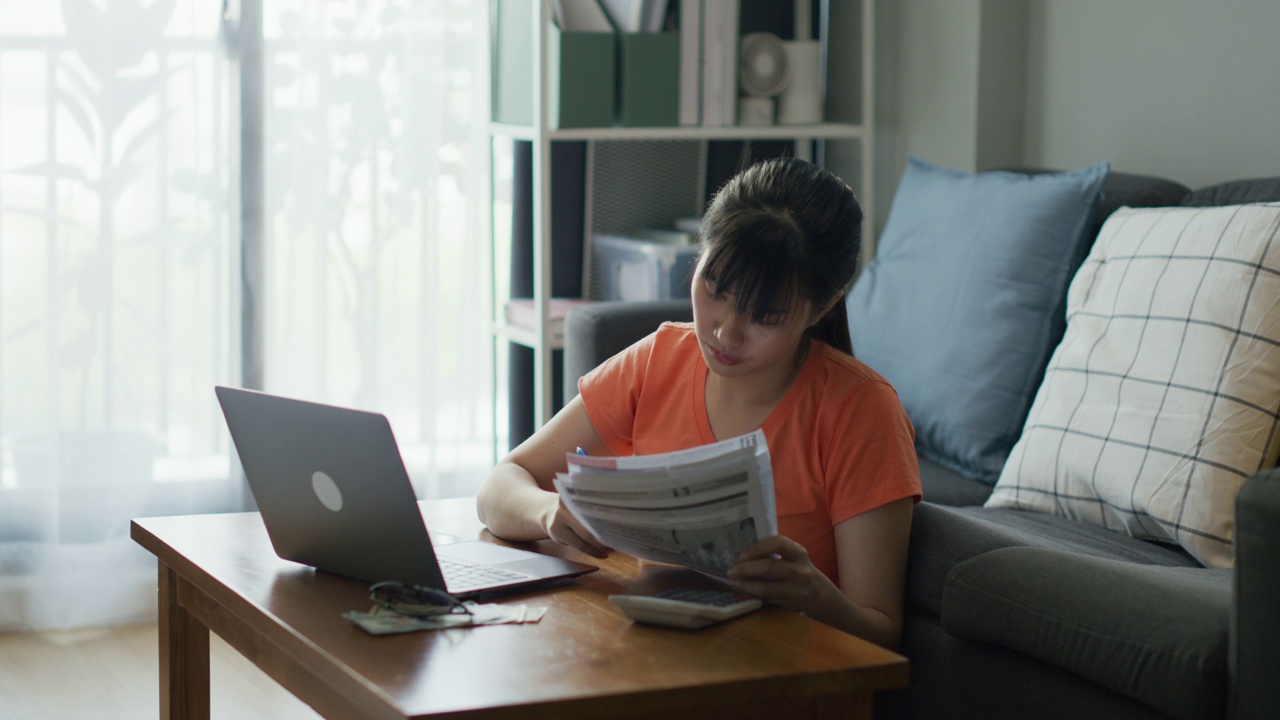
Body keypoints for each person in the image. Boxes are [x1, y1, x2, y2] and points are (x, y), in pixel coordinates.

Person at [477, 157, 921, 649]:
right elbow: (499, 486)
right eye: (715, 289)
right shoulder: (658, 361)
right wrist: (548, 513)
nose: (725, 332)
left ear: (822, 308)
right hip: (660, 658)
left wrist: (815, 594)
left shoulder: (860, 410)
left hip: (781, 678)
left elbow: (883, 634)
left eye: (767, 316)